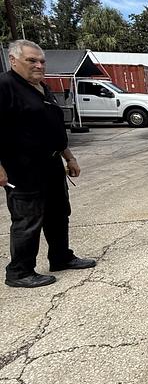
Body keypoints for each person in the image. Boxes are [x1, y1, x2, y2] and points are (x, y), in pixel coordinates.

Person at [0, 39, 96, 288]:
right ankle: (19, 272)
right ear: (13, 60)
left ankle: (61, 257)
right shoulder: (5, 86)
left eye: (41, 61)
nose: (39, 65)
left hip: (51, 166)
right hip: (22, 169)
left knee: (58, 214)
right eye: (31, 60)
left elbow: (54, 130)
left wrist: (69, 157)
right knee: (28, 220)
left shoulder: (43, 88)